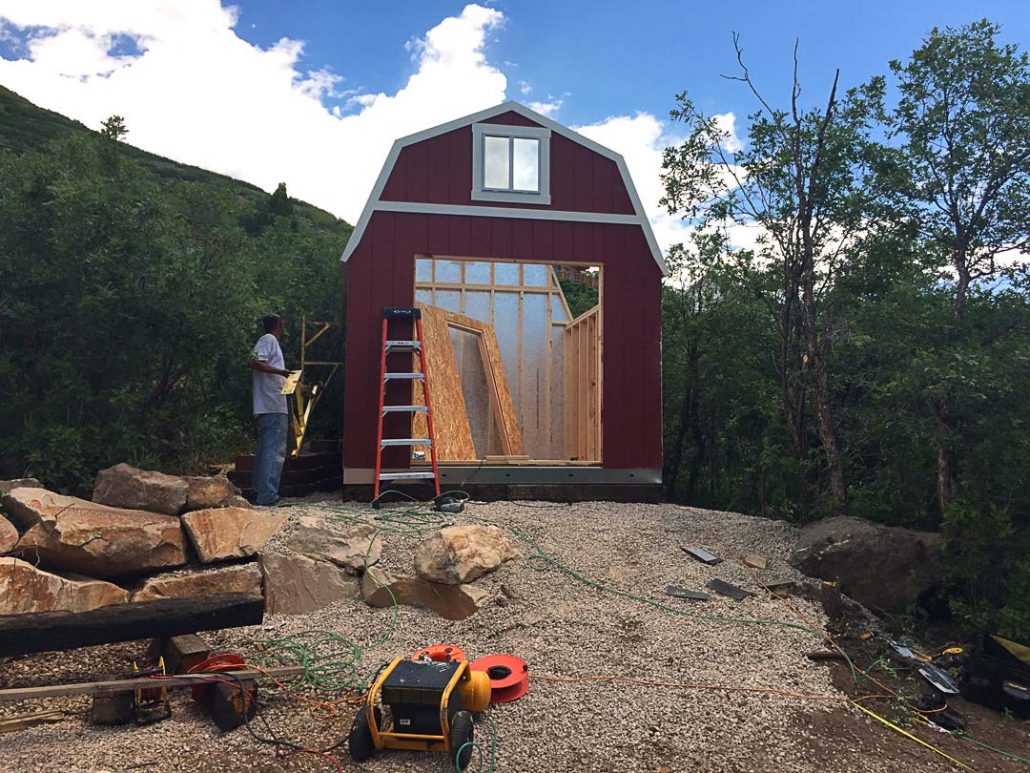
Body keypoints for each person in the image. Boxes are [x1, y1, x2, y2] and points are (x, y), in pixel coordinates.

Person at [249, 314, 292, 506]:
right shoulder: (269, 339)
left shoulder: (270, 342)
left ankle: (259, 491)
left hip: (269, 405)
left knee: (266, 449)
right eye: (282, 325)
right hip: (272, 405)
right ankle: (268, 495)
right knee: (274, 451)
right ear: (278, 325)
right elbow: (255, 362)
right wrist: (281, 372)